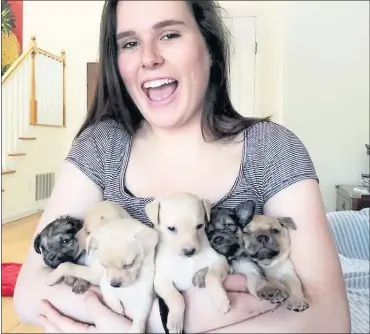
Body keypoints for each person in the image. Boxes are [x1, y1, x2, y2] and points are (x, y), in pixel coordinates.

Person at [14, 0, 350, 333]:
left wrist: (143, 318)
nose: (149, 58)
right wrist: (108, 314)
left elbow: (330, 318)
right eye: (130, 43)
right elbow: (28, 293)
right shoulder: (101, 146)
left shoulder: (272, 148)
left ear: (210, 47)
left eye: (169, 35)